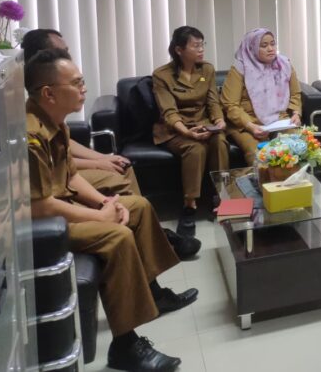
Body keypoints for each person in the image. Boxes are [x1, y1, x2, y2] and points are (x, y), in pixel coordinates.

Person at [26, 49, 198, 372]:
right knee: (117, 236)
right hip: (48, 223)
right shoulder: (31, 135)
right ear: (48, 93)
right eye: (76, 83)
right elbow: (41, 205)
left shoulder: (55, 122)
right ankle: (125, 345)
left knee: (139, 207)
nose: (84, 88)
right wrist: (100, 217)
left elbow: (71, 177)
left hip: (65, 207)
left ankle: (154, 292)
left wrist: (104, 203)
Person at [22, 28, 200, 259]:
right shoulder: (32, 121)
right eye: (62, 51)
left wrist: (102, 162)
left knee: (127, 177)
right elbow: (49, 187)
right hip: (56, 197)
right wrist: (101, 205)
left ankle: (150, 235)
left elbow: (65, 154)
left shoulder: (54, 115)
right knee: (120, 199)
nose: (68, 55)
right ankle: (147, 236)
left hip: (65, 183)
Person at [152, 26, 229, 237]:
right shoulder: (162, 75)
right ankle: (190, 205)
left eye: (202, 44)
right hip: (175, 130)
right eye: (196, 45)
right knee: (195, 148)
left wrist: (219, 121)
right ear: (179, 49)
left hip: (204, 124)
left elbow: (213, 102)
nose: (201, 49)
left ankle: (221, 197)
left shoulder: (207, 70)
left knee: (220, 141)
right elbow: (169, 112)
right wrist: (188, 133)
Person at [221, 28, 302, 167]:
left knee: (297, 146)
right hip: (247, 123)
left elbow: (295, 93)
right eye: (264, 45)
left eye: (273, 43)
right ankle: (262, 181)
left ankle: (292, 181)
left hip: (278, 119)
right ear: (251, 48)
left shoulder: (284, 64)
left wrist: (296, 113)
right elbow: (230, 105)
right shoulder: (240, 69)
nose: (270, 49)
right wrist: (250, 125)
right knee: (259, 155)